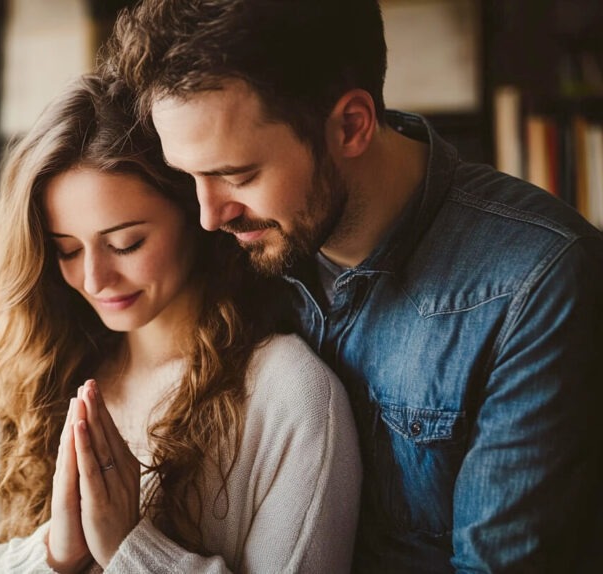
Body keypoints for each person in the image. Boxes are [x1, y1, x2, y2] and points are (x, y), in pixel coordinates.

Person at [102, 0, 603, 572]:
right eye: (188, 176)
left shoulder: (537, 283)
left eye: (236, 175)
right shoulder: (232, 251)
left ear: (351, 126)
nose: (209, 216)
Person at [0, 74, 361, 573]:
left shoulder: (289, 395)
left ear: (196, 214)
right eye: (66, 250)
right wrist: (54, 554)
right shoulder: (6, 382)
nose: (94, 279)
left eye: (126, 243)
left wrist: (130, 549)